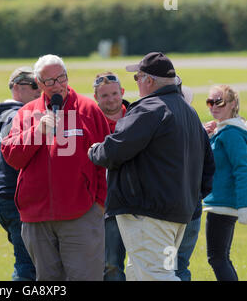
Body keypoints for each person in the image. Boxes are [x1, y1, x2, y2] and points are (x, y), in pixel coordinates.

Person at [88, 52, 209, 281]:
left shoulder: (150, 109)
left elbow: (114, 151)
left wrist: (94, 150)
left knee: (156, 276)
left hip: (148, 216)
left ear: (149, 80)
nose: (137, 83)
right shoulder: (189, 112)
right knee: (139, 273)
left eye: (138, 78)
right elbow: (208, 167)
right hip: (177, 214)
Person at [1, 54, 110, 281]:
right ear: (39, 84)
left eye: (61, 78)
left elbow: (106, 161)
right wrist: (37, 132)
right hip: (37, 219)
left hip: (81, 215)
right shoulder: (26, 113)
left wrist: (98, 203)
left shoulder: (88, 109)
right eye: (49, 81)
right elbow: (12, 157)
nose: (57, 85)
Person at [0, 66, 39, 281]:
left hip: (6, 197)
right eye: (36, 85)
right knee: (26, 264)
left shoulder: (8, 113)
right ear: (18, 87)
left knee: (30, 261)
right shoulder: (15, 114)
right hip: (15, 198)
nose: (41, 91)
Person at [202, 84, 247, 281]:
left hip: (224, 204)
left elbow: (242, 168)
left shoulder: (231, 133)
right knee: (220, 258)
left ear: (233, 104)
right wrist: (209, 135)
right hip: (220, 202)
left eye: (219, 102)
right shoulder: (224, 131)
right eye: (210, 102)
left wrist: (244, 204)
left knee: (217, 258)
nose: (213, 106)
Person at [174, 79, 215, 281]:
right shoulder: (197, 127)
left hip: (171, 211)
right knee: (180, 265)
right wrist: (199, 195)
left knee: (168, 265)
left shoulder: (164, 128)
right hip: (193, 206)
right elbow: (210, 168)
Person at [92, 71, 129, 281]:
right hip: (104, 204)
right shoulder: (89, 122)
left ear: (122, 92)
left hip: (137, 204)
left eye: (115, 93)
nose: (111, 99)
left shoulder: (137, 117)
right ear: (96, 97)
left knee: (141, 262)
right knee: (110, 264)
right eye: (104, 95)